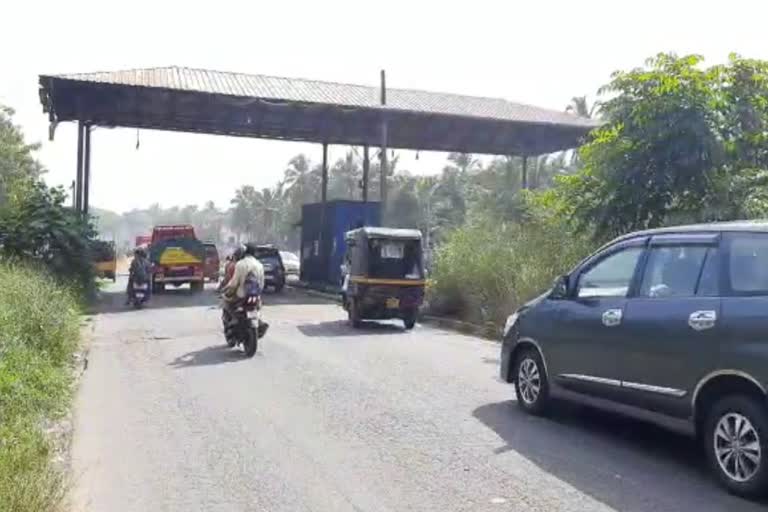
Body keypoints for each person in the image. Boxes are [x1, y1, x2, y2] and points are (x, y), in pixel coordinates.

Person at [221, 243, 268, 335]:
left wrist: (226, 290)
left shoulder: (240, 264)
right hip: (255, 297)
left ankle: (234, 319)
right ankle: (259, 321)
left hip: (241, 296)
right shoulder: (259, 265)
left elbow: (234, 283)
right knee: (258, 307)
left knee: (226, 302)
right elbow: (262, 284)